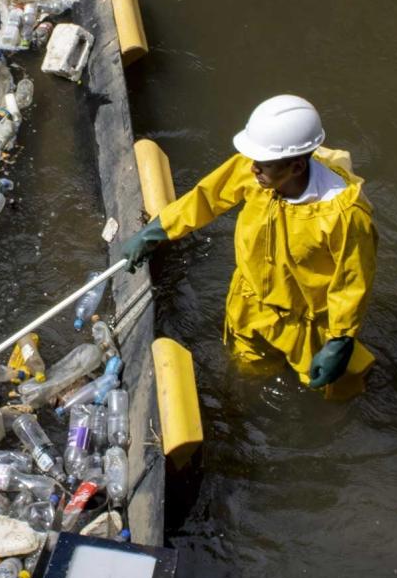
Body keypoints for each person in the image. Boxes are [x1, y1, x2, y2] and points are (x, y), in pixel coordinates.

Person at [118, 95, 378, 395]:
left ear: (295, 167)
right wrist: (157, 230)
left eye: (262, 164)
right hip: (249, 302)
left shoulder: (343, 216)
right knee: (246, 372)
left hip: (305, 322)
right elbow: (207, 198)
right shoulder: (259, 171)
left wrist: (341, 339)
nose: (252, 169)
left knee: (325, 385)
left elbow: (352, 282)